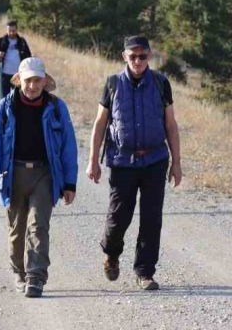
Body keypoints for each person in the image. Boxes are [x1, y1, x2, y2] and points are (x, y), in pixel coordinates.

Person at [86, 36, 182, 291]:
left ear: (149, 56)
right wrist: (92, 160)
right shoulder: (113, 84)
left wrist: (177, 162)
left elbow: (171, 125)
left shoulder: (161, 83)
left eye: (142, 56)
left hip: (155, 160)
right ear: (124, 57)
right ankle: (111, 253)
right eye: (133, 56)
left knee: (152, 219)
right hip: (122, 161)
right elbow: (99, 124)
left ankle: (145, 272)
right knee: (119, 216)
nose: (138, 61)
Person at [0, 57, 78, 298]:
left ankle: (35, 277)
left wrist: (69, 183)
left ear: (45, 81)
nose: (32, 86)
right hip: (13, 174)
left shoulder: (56, 108)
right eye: (28, 81)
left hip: (44, 174)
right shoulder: (5, 107)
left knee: (39, 226)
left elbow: (68, 147)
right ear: (19, 81)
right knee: (17, 229)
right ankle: (19, 273)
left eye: (37, 80)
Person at [0, 20, 32, 99]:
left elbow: (29, 56)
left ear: (16, 30)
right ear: (7, 30)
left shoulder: (22, 42)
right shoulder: (1, 41)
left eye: (13, 31)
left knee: (18, 99)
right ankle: (5, 111)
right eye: (9, 31)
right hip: (4, 75)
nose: (11, 33)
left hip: (18, 75)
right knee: (4, 99)